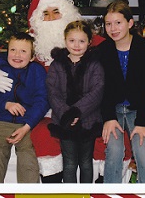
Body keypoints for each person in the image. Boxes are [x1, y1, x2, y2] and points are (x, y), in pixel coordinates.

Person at [0, 0, 145, 183]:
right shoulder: (35, 44)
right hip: (52, 112)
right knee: (50, 140)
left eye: (56, 11)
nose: (51, 18)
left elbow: (115, 65)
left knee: (112, 146)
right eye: (45, 14)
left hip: (91, 112)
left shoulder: (94, 45)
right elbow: (15, 53)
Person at [99, 0, 145, 183]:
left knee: (143, 152)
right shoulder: (103, 50)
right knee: (114, 151)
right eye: (108, 24)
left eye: (118, 23)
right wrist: (108, 118)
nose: (113, 28)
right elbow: (101, 88)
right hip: (113, 108)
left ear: (130, 23)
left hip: (136, 109)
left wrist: (142, 123)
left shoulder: (143, 48)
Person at [0, 32, 50, 183]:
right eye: (13, 50)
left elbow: (42, 101)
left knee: (28, 160)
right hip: (1, 123)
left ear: (31, 56)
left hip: (26, 124)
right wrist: (5, 104)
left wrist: (28, 126)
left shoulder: (36, 71)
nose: (17, 55)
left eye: (23, 51)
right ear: (7, 52)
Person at [46, 20, 104, 183]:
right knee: (70, 164)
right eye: (72, 40)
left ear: (89, 42)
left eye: (82, 41)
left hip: (88, 121)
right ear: (65, 41)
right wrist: (67, 114)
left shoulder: (94, 64)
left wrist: (77, 112)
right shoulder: (57, 64)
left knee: (85, 163)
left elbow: (97, 91)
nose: (76, 45)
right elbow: (52, 91)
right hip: (64, 122)